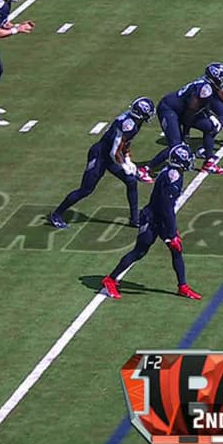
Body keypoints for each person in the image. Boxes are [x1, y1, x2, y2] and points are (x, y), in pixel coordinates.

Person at [99, 143, 202, 301]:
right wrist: (172, 232)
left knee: (176, 250)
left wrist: (171, 231)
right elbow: (166, 208)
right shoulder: (172, 178)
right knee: (139, 251)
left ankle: (183, 286)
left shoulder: (174, 173)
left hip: (160, 218)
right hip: (153, 217)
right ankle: (110, 279)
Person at [47, 98, 156, 229]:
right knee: (86, 190)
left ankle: (135, 219)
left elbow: (125, 143)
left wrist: (128, 159)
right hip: (100, 155)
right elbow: (114, 151)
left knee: (131, 181)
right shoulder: (129, 125)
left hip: (108, 155)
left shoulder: (134, 122)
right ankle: (56, 214)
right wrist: (124, 165)